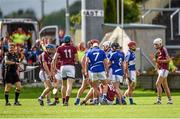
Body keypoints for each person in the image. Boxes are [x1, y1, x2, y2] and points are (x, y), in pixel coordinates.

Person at [53, 35, 78, 106]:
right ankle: (66, 101)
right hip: (70, 66)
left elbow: (55, 58)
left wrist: (54, 67)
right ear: (70, 40)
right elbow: (76, 59)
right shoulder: (73, 48)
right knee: (69, 85)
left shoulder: (60, 48)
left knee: (63, 85)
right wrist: (74, 60)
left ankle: (63, 101)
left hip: (63, 67)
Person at [84, 39, 109, 105]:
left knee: (94, 86)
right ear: (98, 46)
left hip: (93, 70)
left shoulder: (89, 52)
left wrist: (86, 71)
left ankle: (95, 100)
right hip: (101, 70)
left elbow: (86, 62)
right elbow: (105, 62)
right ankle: (104, 97)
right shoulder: (102, 51)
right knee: (105, 84)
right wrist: (107, 70)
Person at [153, 38, 173, 104]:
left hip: (164, 69)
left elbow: (168, 60)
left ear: (160, 44)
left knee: (157, 84)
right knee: (165, 85)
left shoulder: (164, 49)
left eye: (156, 44)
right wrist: (158, 64)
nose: (155, 46)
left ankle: (159, 100)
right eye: (154, 45)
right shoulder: (160, 50)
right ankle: (170, 100)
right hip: (162, 69)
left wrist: (159, 61)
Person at [74, 40, 93, 105]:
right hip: (89, 71)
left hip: (90, 71)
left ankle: (89, 99)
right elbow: (82, 61)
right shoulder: (88, 51)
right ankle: (79, 99)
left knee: (91, 86)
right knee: (87, 86)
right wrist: (85, 70)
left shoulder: (89, 51)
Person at [123, 41, 138, 105]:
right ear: (131, 46)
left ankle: (123, 97)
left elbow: (133, 63)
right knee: (130, 87)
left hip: (133, 71)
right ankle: (131, 101)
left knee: (133, 87)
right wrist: (126, 72)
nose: (135, 46)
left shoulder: (132, 53)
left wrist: (136, 70)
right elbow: (126, 63)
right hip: (130, 71)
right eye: (134, 45)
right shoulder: (128, 53)